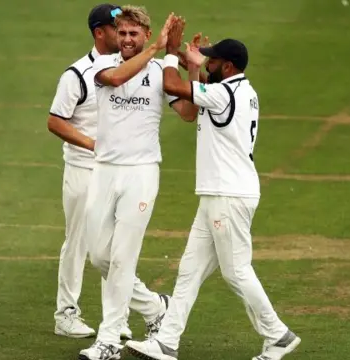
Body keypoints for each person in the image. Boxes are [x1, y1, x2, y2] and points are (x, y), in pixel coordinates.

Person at [124, 29, 301, 360]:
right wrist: (187, 60)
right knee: (189, 272)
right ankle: (166, 343)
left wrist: (167, 56)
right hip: (219, 195)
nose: (209, 62)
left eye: (214, 60)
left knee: (236, 271)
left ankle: (278, 334)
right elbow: (201, 87)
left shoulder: (222, 94)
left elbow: (174, 87)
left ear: (229, 67)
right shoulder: (239, 90)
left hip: (228, 196)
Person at [78, 8, 198, 360]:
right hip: (103, 170)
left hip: (142, 172)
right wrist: (157, 49)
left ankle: (109, 339)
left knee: (122, 258)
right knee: (100, 256)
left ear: (146, 34)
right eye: (123, 33)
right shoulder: (101, 66)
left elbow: (189, 114)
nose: (127, 39)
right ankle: (155, 308)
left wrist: (186, 63)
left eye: (135, 33)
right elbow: (115, 80)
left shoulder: (162, 70)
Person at [47, 3, 133, 340]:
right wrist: (92, 144)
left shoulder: (128, 68)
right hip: (84, 170)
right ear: (100, 32)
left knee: (115, 246)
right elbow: (55, 120)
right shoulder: (76, 74)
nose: (123, 34)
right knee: (79, 242)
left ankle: (116, 318)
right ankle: (66, 314)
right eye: (117, 28)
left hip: (118, 171)